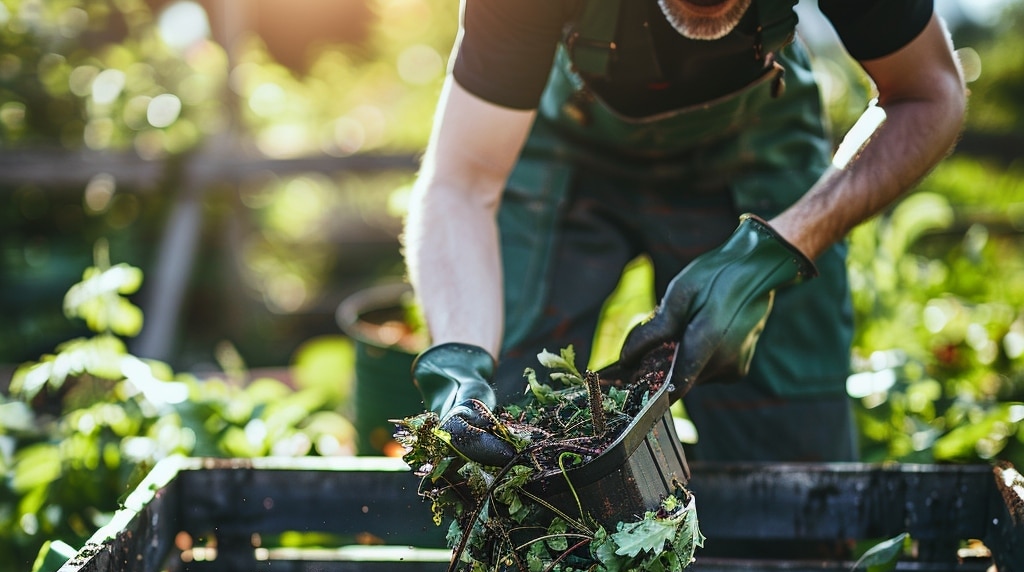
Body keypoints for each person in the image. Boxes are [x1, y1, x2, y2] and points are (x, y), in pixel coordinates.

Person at [404, 0, 966, 465]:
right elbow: (462, 180)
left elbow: (928, 92)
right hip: (565, 147)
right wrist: (458, 359)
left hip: (757, 144)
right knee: (500, 439)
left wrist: (783, 245)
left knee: (795, 479)